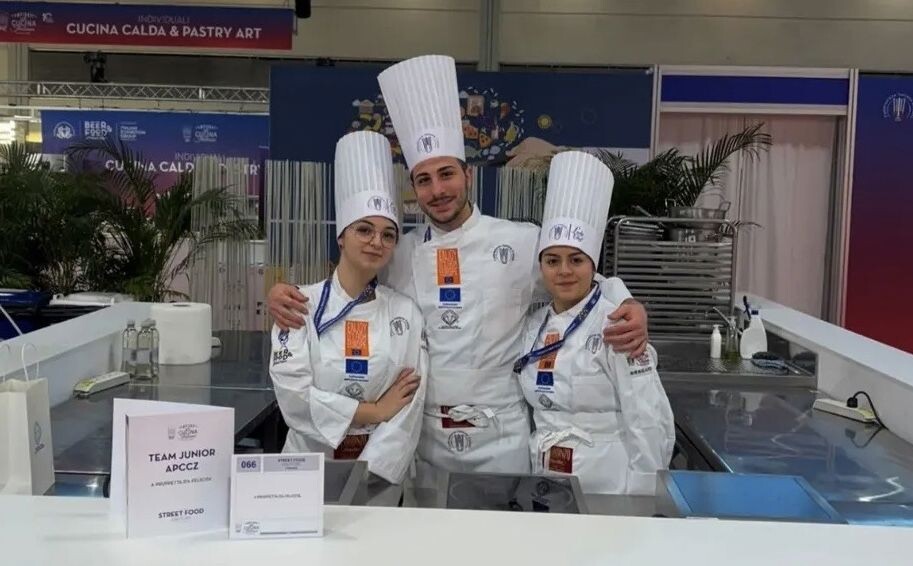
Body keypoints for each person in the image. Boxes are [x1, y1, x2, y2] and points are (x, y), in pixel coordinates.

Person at [267, 55, 648, 478]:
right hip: (426, 438)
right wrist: (282, 295)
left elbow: (580, 280)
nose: (437, 190)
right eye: (424, 179)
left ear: (467, 174)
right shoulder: (401, 252)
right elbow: (349, 293)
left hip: (502, 436)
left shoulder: (521, 241)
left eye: (446, 174)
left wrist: (627, 302)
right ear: (413, 188)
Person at [268, 131, 427, 485]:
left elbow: (408, 407)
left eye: (388, 235)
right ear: (342, 235)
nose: (377, 242)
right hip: (305, 470)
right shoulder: (297, 304)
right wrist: (372, 411)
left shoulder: (405, 313)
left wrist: (369, 476)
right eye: (365, 230)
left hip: (379, 473)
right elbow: (294, 398)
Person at [515, 150, 674, 494]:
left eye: (576, 259)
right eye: (553, 260)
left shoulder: (618, 324)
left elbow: (648, 419)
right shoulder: (534, 326)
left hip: (608, 487)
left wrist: (643, 496)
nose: (564, 271)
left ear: (593, 264)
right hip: (545, 479)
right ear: (541, 267)